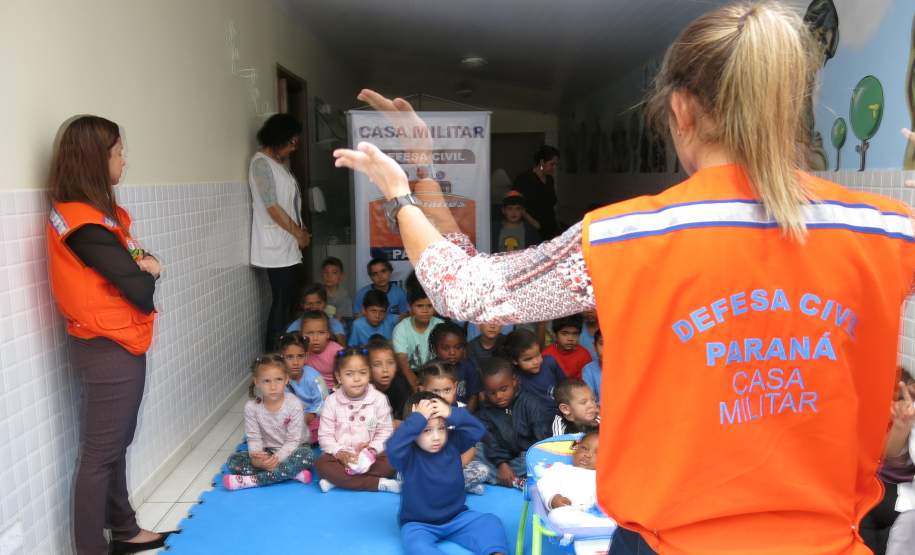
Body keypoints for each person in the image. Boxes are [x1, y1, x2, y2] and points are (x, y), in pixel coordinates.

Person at [333, 3, 915, 549]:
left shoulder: (625, 236)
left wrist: (403, 191)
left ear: (680, 110)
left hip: (667, 541)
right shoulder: (889, 228)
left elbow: (467, 289)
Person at [46, 115, 173, 555]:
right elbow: (139, 285)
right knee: (101, 453)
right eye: (118, 152)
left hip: (116, 341)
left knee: (115, 442)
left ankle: (124, 530)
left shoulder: (100, 217)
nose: (124, 160)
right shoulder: (83, 223)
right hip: (107, 345)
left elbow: (138, 255)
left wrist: (145, 264)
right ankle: (91, 548)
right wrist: (150, 270)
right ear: (95, 160)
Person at [386, 392, 510, 555]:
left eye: (442, 428)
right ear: (413, 430)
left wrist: (451, 413)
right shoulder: (408, 453)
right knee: (416, 546)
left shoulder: (452, 441)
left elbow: (478, 429)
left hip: (457, 516)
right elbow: (392, 448)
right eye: (426, 430)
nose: (436, 437)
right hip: (418, 524)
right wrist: (417, 419)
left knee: (491, 523)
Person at [249, 113, 311, 349]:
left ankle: (282, 351)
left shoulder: (276, 165)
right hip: (274, 246)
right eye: (292, 142)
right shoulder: (260, 164)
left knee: (286, 300)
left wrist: (299, 230)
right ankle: (273, 354)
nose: (293, 148)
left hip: (285, 242)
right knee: (281, 301)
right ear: (280, 138)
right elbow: (272, 206)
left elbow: (287, 203)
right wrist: (299, 234)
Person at [223, 354, 315, 490]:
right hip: (268, 451)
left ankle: (252, 481)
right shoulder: (251, 407)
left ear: (286, 380)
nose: (273, 386)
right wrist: (257, 459)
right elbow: (254, 437)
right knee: (233, 462)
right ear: (257, 382)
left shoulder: (294, 404)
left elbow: (293, 441)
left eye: (278, 379)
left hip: (294, 449)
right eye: (266, 381)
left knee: (308, 456)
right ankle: (291, 473)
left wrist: (276, 459)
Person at [315, 347, 399, 493]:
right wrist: (340, 453)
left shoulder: (379, 399)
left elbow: (385, 431)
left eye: (363, 372)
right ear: (339, 376)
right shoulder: (331, 401)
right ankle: (377, 484)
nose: (357, 379)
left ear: (369, 374)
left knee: (393, 460)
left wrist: (372, 449)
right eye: (349, 374)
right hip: (341, 458)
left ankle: (338, 481)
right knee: (322, 464)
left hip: (371, 457)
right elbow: (325, 436)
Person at [535, 430, 617, 555]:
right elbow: (545, 484)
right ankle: (599, 527)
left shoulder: (606, 476)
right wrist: (553, 499)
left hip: (600, 515)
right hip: (571, 513)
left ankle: (601, 526)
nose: (587, 455)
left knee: (623, 518)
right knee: (557, 516)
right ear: (575, 449)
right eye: (584, 448)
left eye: (598, 453)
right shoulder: (560, 469)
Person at [476, 358, 554, 489]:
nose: (499, 396)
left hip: (524, 456)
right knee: (476, 449)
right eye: (492, 393)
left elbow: (542, 440)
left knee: (533, 458)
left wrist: (532, 456)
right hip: (499, 457)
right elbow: (490, 441)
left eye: (503, 389)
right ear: (485, 392)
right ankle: (511, 478)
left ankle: (500, 477)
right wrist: (502, 464)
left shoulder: (531, 404)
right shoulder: (486, 410)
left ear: (514, 382)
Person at [417, 361, 492, 493]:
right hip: (426, 466)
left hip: (454, 465)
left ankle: (443, 487)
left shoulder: (461, 411)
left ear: (455, 387)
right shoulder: (418, 412)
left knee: (482, 470)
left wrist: (454, 466)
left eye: (447, 390)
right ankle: (455, 487)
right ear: (422, 390)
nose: (441, 396)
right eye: (435, 391)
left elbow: (472, 446)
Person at [276, 332, 328, 442]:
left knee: (322, 427)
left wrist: (311, 415)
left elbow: (324, 402)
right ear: (281, 357)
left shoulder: (314, 378)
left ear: (306, 356)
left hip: (311, 417)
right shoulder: (278, 378)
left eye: (300, 356)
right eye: (289, 357)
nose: (295, 362)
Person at [500, 329, 566, 411]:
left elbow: (565, 385)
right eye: (528, 359)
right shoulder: (515, 380)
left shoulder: (550, 363)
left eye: (538, 355)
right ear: (514, 360)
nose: (536, 362)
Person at [393, 286, 444, 389]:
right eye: (419, 306)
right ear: (409, 307)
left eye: (430, 306)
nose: (425, 310)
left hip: (437, 372)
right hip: (410, 373)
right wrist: (417, 386)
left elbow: (445, 359)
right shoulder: (401, 328)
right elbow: (403, 364)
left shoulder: (440, 326)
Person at [429, 322, 481, 412]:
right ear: (435, 349)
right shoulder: (430, 369)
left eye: (458, 347)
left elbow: (474, 395)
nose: (452, 352)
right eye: (446, 348)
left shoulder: (468, 367)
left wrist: (465, 417)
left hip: (463, 414)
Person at [511, 145, 560, 240]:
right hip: (531, 229)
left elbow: (551, 205)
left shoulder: (549, 179)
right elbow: (516, 203)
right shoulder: (524, 179)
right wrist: (533, 222)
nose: (554, 168)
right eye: (552, 164)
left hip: (550, 229)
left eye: (556, 165)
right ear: (542, 162)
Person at [368, 336, 413, 427]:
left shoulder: (400, 385)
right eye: (377, 364)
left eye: (390, 363)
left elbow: (408, 420)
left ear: (396, 366)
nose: (385, 369)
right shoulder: (363, 387)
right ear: (367, 368)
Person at [300, 310, 343, 390]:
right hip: (309, 390)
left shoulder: (337, 351)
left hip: (333, 391)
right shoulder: (300, 351)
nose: (315, 338)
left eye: (321, 333)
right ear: (302, 334)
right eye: (310, 333)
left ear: (328, 334)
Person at [543, 315, 592, 380]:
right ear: (555, 335)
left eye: (575, 334)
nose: (570, 339)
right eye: (564, 333)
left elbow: (586, 381)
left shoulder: (584, 355)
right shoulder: (547, 354)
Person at [321, 256, 353, 322]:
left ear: (341, 276)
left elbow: (342, 320)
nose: (329, 276)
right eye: (326, 272)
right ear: (322, 274)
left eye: (334, 273)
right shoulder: (317, 292)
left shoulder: (344, 296)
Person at [582, 330, 604, 405]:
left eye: (612, 343)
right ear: (594, 346)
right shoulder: (589, 369)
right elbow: (589, 400)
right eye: (602, 344)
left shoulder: (629, 368)